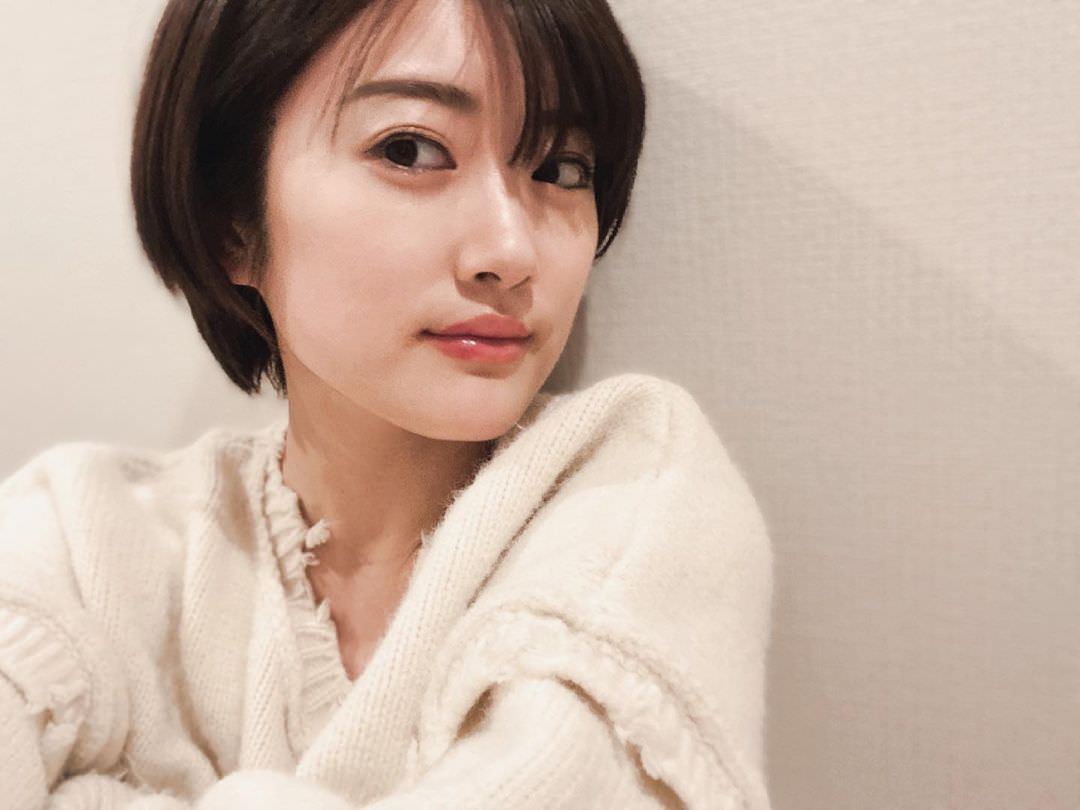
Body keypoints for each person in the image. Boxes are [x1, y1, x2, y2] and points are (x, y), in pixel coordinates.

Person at [0, 0, 774, 807]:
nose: (510, 251)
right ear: (229, 221)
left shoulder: (638, 495)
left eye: (561, 169)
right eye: (410, 150)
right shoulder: (84, 532)